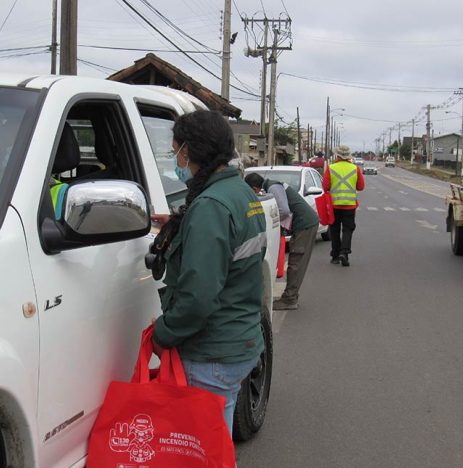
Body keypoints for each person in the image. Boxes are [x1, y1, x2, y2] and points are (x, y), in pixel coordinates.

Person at [150, 110, 266, 436]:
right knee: (216, 441)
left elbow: (197, 298)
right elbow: (236, 254)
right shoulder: (242, 193)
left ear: (189, 151)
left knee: (200, 445)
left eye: (176, 152)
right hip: (239, 341)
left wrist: (163, 333)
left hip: (211, 352)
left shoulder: (211, 207)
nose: (176, 160)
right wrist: (181, 224)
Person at [244, 172, 319, 310]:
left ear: (254, 188)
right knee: (295, 261)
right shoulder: (271, 186)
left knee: (296, 261)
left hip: (305, 224)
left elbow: (284, 210)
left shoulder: (273, 187)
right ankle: (291, 297)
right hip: (302, 223)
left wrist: (273, 224)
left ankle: (290, 299)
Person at [322, 145, 365, 266]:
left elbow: (325, 187)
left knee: (334, 230)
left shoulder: (331, 168)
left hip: (334, 206)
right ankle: (344, 253)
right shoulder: (355, 168)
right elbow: (361, 187)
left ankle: (335, 256)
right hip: (350, 206)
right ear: (348, 156)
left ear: (337, 155)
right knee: (348, 229)